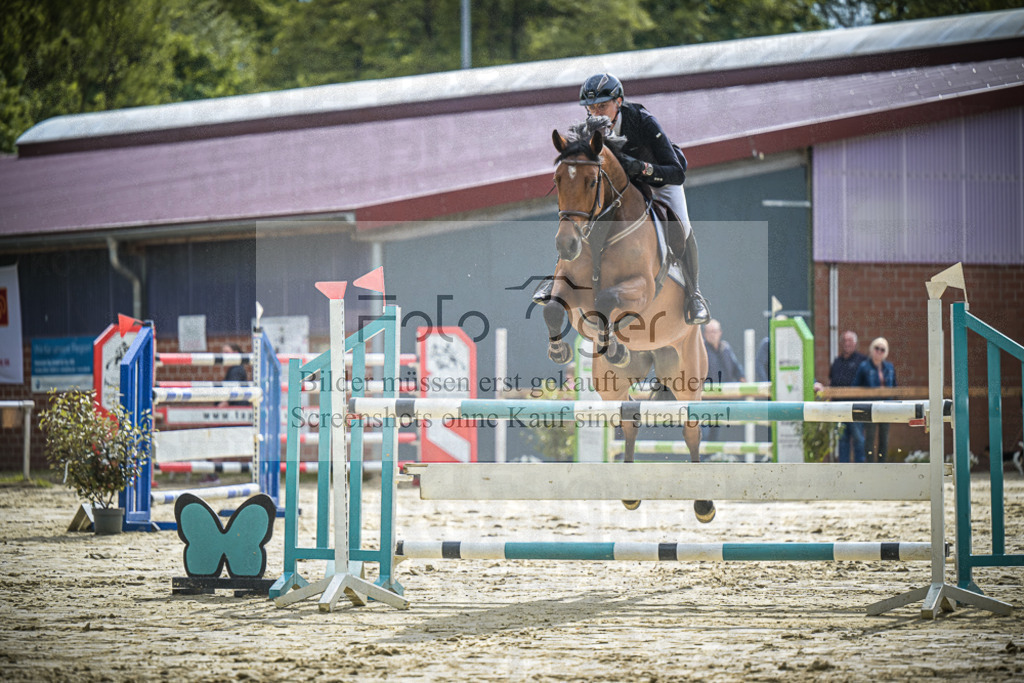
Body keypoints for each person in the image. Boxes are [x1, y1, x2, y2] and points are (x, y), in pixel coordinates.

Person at [533, 73, 710, 325]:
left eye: (602, 106)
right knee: (582, 215)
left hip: (660, 177)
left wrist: (639, 167)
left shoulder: (642, 121)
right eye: (591, 108)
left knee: (681, 225)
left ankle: (694, 294)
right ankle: (558, 278)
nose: (596, 113)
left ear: (618, 102)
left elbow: (677, 172)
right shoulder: (591, 130)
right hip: (623, 186)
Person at [855, 337, 897, 462]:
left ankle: (882, 463)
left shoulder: (889, 367)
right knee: (870, 437)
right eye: (876, 348)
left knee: (884, 437)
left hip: (886, 406)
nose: (879, 351)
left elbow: (895, 386)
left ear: (886, 352)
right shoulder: (864, 366)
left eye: (882, 349)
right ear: (871, 349)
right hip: (870, 406)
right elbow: (856, 386)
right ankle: (870, 464)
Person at [703, 319, 744, 444]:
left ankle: (709, 461)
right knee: (702, 436)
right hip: (703, 402)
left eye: (715, 331)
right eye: (709, 332)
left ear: (720, 332)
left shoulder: (726, 348)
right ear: (704, 334)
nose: (712, 334)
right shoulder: (700, 350)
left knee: (714, 438)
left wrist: (744, 383)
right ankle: (699, 462)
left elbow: (737, 369)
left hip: (720, 401)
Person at [829, 330, 867, 463]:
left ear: (855, 343)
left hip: (856, 407)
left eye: (850, 341)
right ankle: (843, 469)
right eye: (844, 341)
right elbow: (832, 382)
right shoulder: (837, 362)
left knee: (859, 439)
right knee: (842, 439)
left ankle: (860, 468)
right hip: (839, 408)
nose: (847, 343)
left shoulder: (862, 361)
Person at [219, 343, 248, 407]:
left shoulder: (236, 370)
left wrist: (224, 403)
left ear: (236, 354)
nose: (223, 355)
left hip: (237, 409)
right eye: (222, 352)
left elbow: (233, 390)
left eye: (226, 352)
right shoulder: (234, 369)